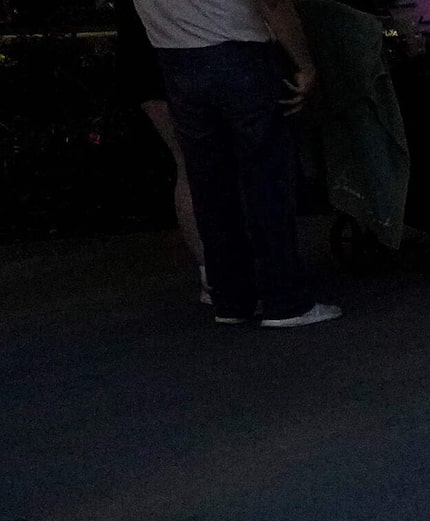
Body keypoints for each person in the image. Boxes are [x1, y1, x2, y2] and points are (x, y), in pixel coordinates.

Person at [134, 0, 338, 327]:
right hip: (240, 51)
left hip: (174, 56)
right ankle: (286, 300)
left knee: (209, 185)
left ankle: (232, 298)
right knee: (267, 178)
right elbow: (273, 4)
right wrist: (305, 63)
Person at [114, 0, 208, 305]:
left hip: (148, 60)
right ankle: (229, 268)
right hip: (183, 53)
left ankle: (213, 272)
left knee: (189, 164)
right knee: (204, 164)